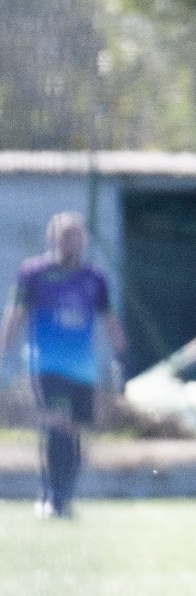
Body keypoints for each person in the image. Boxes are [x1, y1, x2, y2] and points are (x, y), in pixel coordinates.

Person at [0, 212, 126, 519]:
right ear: (52, 238)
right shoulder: (32, 273)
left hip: (82, 368)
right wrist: (4, 351)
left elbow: (109, 320)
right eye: (66, 235)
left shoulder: (94, 278)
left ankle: (64, 496)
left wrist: (123, 357)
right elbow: (14, 313)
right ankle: (51, 498)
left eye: (77, 235)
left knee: (72, 430)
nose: (72, 241)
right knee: (57, 421)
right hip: (45, 363)